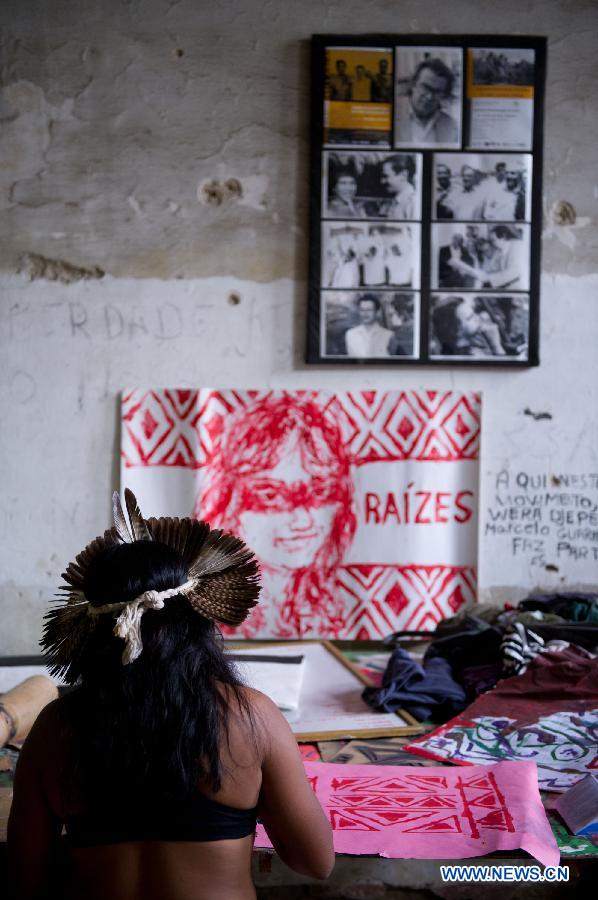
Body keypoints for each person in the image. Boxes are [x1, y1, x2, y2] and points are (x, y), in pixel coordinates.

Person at [8, 490, 335, 899]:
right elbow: (316, 862)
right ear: (198, 620)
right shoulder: (251, 718)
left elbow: (26, 879)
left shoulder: (56, 729)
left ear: (93, 632)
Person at [196, 396, 357, 638]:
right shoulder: (205, 612)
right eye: (271, 496)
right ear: (229, 503)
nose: (303, 520)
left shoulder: (337, 609)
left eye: (320, 492)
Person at [396, 57, 458, 145]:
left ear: (444, 95)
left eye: (437, 92)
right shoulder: (394, 115)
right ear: (413, 84)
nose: (429, 96)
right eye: (426, 87)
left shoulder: (451, 126)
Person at [431, 295, 505, 357]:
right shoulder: (468, 354)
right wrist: (497, 346)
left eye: (474, 313)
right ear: (456, 329)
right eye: (470, 317)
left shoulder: (474, 344)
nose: (478, 317)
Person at [345, 293, 394, 357]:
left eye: (369, 310)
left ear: (377, 312)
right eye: (362, 310)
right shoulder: (350, 334)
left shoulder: (388, 335)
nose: (365, 313)